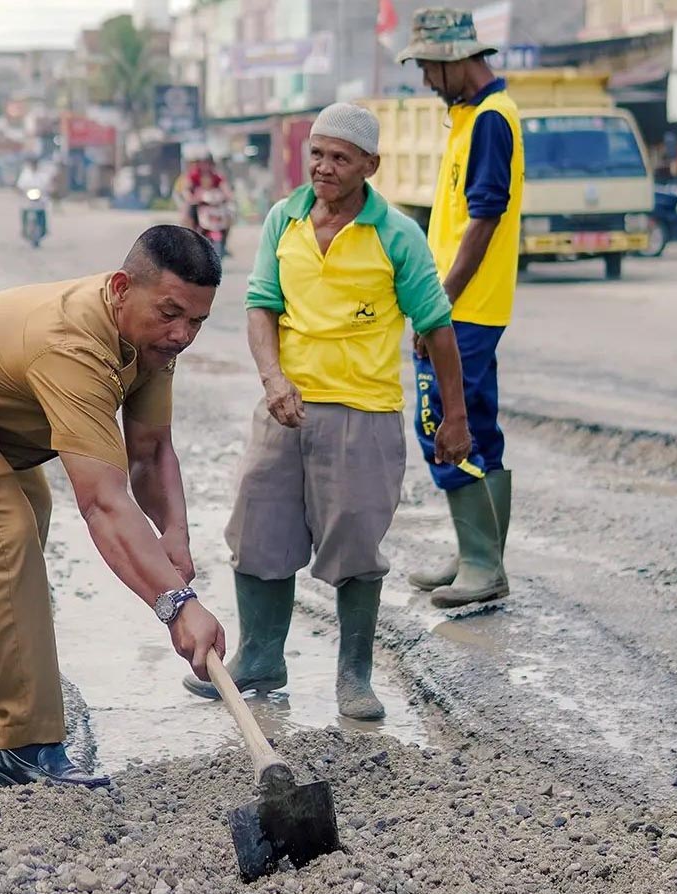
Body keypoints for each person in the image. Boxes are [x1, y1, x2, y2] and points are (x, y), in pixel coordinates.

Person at [0, 226, 226, 788]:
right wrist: (176, 605)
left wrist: (174, 531)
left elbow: (149, 452)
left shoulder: (147, 338)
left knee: (29, 500)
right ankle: (24, 746)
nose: (182, 336)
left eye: (197, 321)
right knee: (3, 526)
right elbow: (102, 502)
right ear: (122, 287)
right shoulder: (74, 344)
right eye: (171, 314)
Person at [182, 103, 472, 720]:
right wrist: (272, 379)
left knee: (357, 547)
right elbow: (261, 306)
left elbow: (437, 327)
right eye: (317, 153)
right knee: (256, 531)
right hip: (284, 408)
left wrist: (456, 418)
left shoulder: (396, 234)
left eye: (340, 157)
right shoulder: (282, 219)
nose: (324, 167)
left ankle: (354, 677)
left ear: (370, 165)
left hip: (362, 414)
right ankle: (261, 656)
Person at [397, 8, 524, 609]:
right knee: (481, 428)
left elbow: (484, 219)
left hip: (463, 309)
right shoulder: (469, 116)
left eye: (427, 66)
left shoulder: (491, 121)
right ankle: (480, 555)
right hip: (467, 306)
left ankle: (481, 564)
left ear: (454, 61)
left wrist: (437, 308)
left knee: (443, 424)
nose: (424, 78)